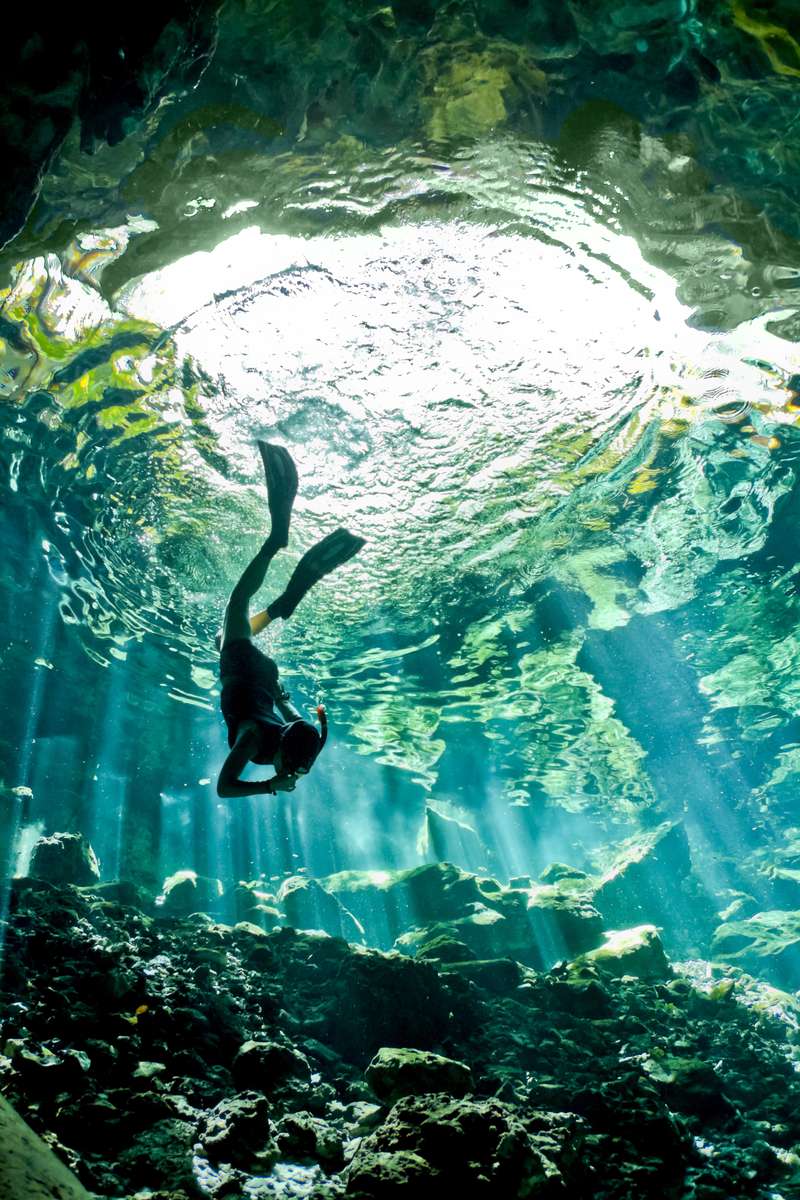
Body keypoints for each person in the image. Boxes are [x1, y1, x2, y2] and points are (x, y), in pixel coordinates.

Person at [216, 442, 364, 798]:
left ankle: (282, 606)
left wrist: (278, 696)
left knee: (224, 638)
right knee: (238, 601)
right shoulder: (253, 740)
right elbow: (224, 788)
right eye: (288, 766)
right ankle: (274, 540)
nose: (287, 772)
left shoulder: (299, 734)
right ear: (286, 751)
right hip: (241, 670)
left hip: (265, 676)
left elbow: (286, 706)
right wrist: (268, 784)